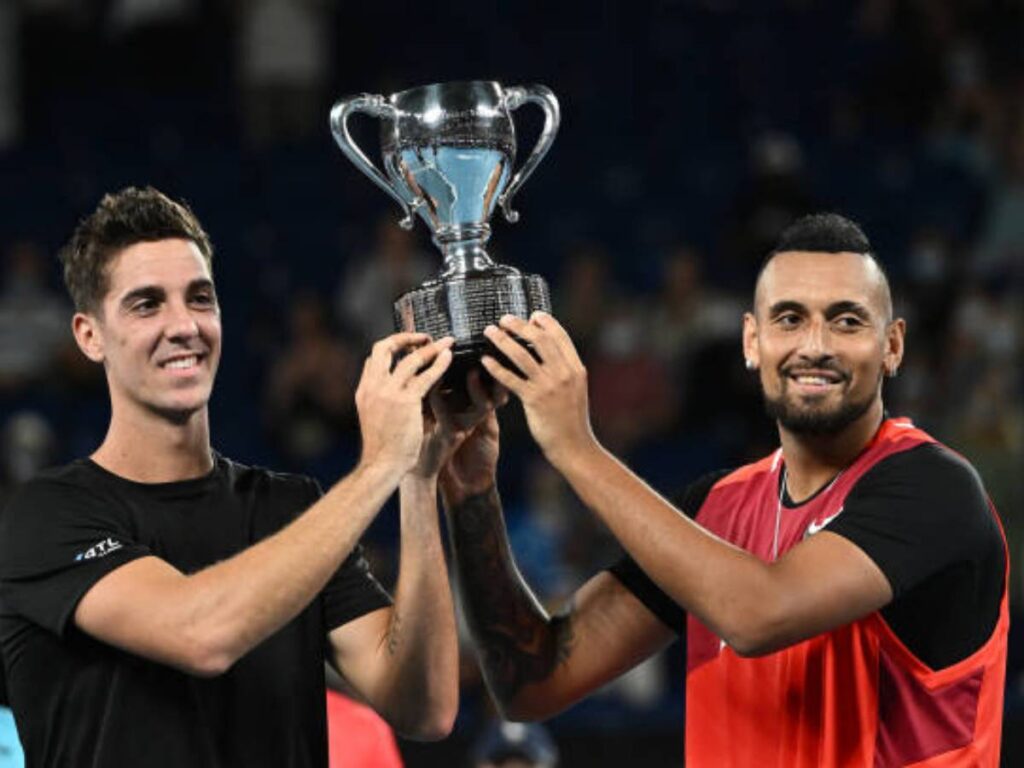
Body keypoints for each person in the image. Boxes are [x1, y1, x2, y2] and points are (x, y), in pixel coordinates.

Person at [440, 213, 1009, 766]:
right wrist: (473, 494)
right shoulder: (715, 508)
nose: (815, 345)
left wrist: (576, 449)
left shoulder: (935, 489)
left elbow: (757, 614)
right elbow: (532, 681)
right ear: (751, 341)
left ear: (893, 347)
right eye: (789, 319)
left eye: (847, 321)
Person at [0, 187, 462, 767]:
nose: (184, 325)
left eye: (200, 298)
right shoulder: (46, 515)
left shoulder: (290, 509)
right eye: (147, 304)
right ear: (89, 335)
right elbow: (200, 634)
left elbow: (425, 708)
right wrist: (376, 469)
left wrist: (417, 480)